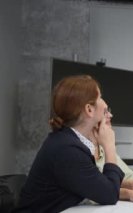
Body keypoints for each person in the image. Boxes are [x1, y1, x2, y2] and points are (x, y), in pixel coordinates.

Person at [14, 75, 124, 212]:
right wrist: (109, 146)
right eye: (100, 97)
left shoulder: (66, 141)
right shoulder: (67, 150)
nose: (105, 104)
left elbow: (96, 186)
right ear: (89, 109)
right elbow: (110, 194)